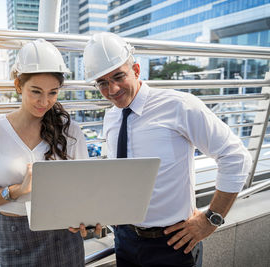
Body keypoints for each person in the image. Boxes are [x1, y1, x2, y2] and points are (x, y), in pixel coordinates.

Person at [83, 32, 252, 267]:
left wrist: (211, 219)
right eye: (102, 82)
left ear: (137, 70)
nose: (112, 89)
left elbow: (235, 156)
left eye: (118, 76)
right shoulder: (111, 117)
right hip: (124, 239)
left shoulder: (179, 106)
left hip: (172, 244)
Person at [0, 39, 97, 267]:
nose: (45, 102)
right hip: (16, 236)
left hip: (64, 235)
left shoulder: (70, 131)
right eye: (36, 91)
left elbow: (86, 190)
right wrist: (18, 190)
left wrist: (90, 218)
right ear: (18, 85)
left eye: (53, 92)